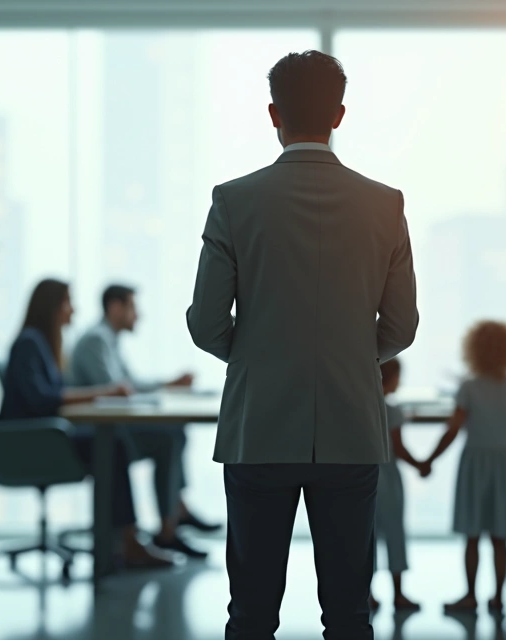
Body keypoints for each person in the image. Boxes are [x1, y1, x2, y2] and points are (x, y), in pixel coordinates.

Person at [186, 50, 418, 640]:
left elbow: (207, 324)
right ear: (339, 115)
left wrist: (264, 353)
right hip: (350, 427)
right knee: (348, 613)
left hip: (258, 427)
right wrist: (344, 354)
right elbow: (401, 328)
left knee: (252, 613)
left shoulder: (234, 201)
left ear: (273, 114)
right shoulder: (385, 204)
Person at [0, 278, 173, 569]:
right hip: (30, 444)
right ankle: (126, 541)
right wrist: (102, 392)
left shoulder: (41, 344)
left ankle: (122, 539)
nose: (73, 310)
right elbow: (44, 400)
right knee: (111, 445)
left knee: (112, 442)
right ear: (51, 307)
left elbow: (49, 397)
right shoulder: (30, 343)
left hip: (41, 437)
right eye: (67, 302)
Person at [66, 284, 216, 560]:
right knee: (169, 436)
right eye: (133, 307)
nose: (139, 315)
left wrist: (169, 384)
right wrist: (165, 387)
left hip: (111, 433)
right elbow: (115, 391)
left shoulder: (107, 340)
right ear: (115, 307)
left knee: (173, 433)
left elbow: (129, 385)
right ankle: (171, 523)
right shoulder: (96, 340)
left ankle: (174, 516)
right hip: (99, 438)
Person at [422, 321, 506, 616]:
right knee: (500, 537)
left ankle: (470, 595)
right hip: (505, 464)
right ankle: (497, 597)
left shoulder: (468, 388)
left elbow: (453, 430)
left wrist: (429, 459)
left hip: (475, 465)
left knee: (472, 535)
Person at [369, 358, 429, 612]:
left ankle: (368, 594)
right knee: (394, 534)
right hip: (389, 479)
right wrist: (421, 465)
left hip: (366, 476)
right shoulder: (391, 411)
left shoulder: (363, 406)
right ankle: (398, 593)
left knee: (366, 536)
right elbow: (399, 448)